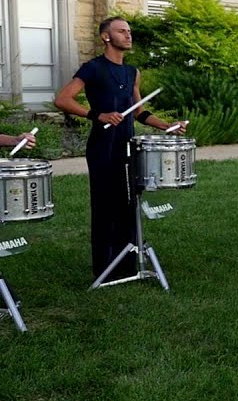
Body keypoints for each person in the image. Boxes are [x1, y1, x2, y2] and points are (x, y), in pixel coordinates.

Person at [54, 17, 187, 281]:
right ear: (106, 37)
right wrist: (97, 115)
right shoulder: (92, 68)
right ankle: (105, 268)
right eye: (121, 31)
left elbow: (138, 112)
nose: (128, 35)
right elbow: (62, 99)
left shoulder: (132, 72)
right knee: (106, 205)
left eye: (129, 31)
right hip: (103, 146)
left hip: (129, 145)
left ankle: (127, 264)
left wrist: (166, 126)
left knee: (129, 203)